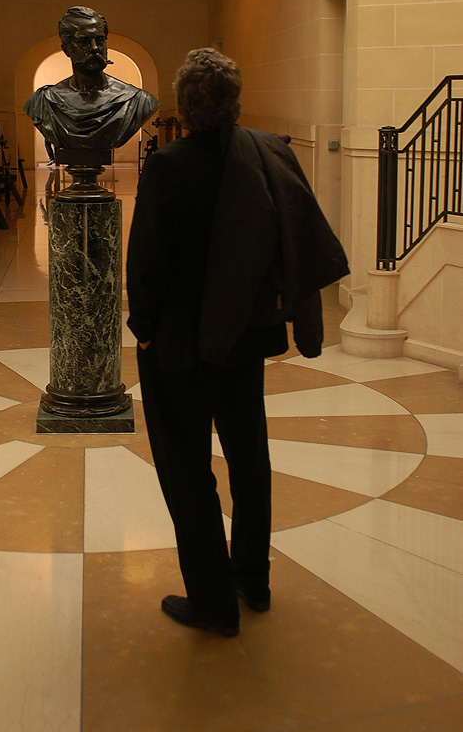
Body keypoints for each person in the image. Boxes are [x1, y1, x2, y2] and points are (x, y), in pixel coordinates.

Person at [126, 49, 348, 636]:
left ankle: (213, 603)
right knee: (249, 458)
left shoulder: (169, 165)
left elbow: (146, 260)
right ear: (236, 103)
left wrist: (143, 329)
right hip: (245, 336)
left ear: (181, 107)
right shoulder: (270, 151)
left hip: (181, 344)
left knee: (187, 468)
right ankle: (252, 576)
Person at [23, 6, 158, 153]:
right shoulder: (44, 101)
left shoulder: (138, 101)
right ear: (66, 49)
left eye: (100, 40)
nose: (94, 48)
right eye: (84, 41)